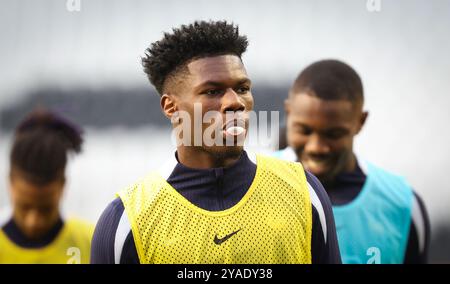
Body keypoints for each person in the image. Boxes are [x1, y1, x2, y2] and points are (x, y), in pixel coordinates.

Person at [91, 21, 341, 264]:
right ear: (171, 106)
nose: (235, 102)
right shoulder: (127, 219)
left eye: (242, 88)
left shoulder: (303, 191)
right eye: (212, 91)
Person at [275, 59, 430, 264]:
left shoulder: (403, 206)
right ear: (289, 112)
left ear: (360, 121)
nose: (316, 147)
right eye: (304, 131)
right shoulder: (250, 186)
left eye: (334, 134)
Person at [0, 108, 94, 264]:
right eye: (24, 207)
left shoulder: (89, 244)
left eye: (46, 209)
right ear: (9, 181)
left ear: (63, 185)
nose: (33, 221)